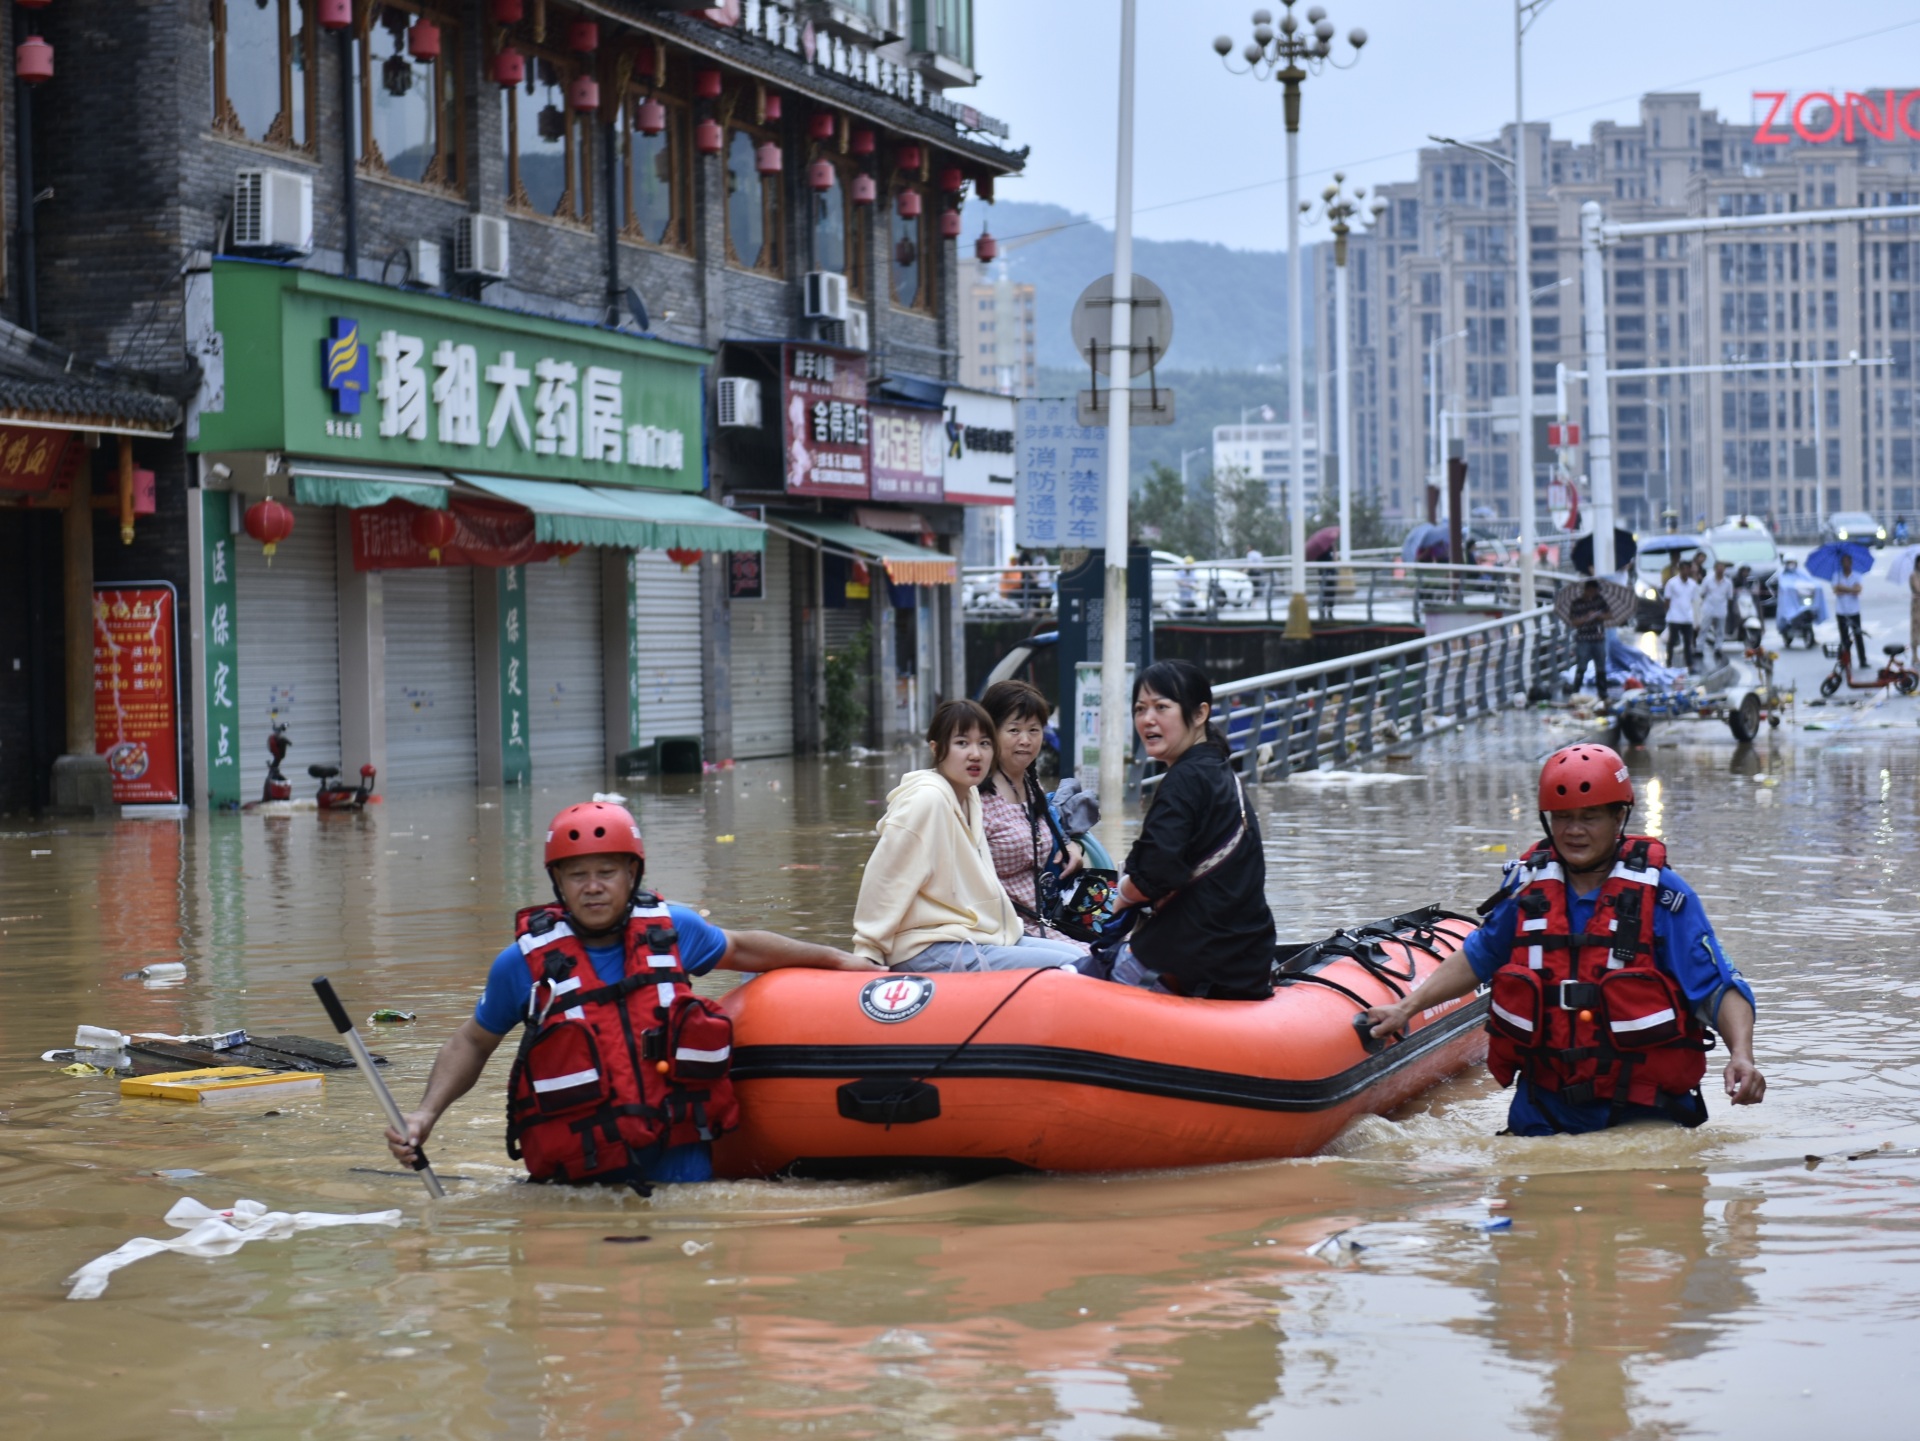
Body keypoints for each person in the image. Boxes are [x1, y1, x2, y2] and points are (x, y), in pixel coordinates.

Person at [385, 801, 876, 1189]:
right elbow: (472, 1042)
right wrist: (424, 1115)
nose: (593, 887)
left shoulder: (673, 930)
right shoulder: (522, 964)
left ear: (632, 874)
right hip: (577, 1180)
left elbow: (745, 947)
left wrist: (840, 961)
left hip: (681, 1167)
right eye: (578, 875)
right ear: (557, 882)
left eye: (607, 872)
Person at [1364, 744, 1765, 1135]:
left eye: (1590, 817)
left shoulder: (1664, 896)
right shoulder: (1527, 890)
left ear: (1618, 817)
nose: (1574, 831)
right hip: (1542, 1109)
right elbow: (1477, 957)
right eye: (1562, 818)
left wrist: (1742, 1057)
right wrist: (1405, 1009)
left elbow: (1718, 988)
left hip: (1644, 1112)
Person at [853, 698, 1087, 973]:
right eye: (962, 743)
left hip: (972, 935)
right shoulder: (927, 800)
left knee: (1078, 956)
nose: (975, 754)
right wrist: (867, 952)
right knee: (1069, 965)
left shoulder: (969, 796)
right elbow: (885, 878)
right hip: (928, 946)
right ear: (937, 749)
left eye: (984, 744)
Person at [1104, 660, 1276, 1000]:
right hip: (1247, 959)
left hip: (1194, 958)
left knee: (1078, 974)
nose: (1147, 719)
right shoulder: (1219, 769)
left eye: (1161, 707)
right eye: (1140, 709)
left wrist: (1121, 896)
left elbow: (1155, 873)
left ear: (1199, 714)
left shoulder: (1184, 779)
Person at [979, 679, 1086, 947]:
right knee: (1091, 959)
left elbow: (1048, 826)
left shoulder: (1030, 784)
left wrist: (1070, 847)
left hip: (1049, 916)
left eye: (1034, 730)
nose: (1025, 740)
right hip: (1007, 927)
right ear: (991, 732)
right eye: (1014, 730)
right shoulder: (975, 796)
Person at [1566, 578, 1613, 705]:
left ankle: (1603, 693)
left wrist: (1598, 616)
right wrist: (1586, 618)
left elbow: (1609, 614)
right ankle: (1575, 692)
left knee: (1601, 666)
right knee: (1581, 666)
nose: (1593, 594)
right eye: (1591, 591)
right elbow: (1573, 622)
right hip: (1583, 639)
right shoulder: (1577, 603)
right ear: (1587, 590)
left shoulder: (1599, 601)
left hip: (1598, 638)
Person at [1662, 558, 1701, 669]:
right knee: (1672, 642)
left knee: (1688, 643)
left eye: (1687, 569)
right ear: (1679, 570)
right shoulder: (1672, 583)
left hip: (1687, 617)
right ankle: (1669, 662)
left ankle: (1689, 664)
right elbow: (1667, 600)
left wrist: (1696, 619)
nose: (1685, 571)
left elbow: (1694, 602)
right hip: (1674, 617)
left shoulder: (1693, 585)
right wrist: (1667, 615)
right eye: (1682, 569)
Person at [1833, 549, 1867, 670]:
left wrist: (1845, 589)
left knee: (1858, 636)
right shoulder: (1836, 576)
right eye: (1844, 561)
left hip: (1854, 610)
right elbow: (1836, 590)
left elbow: (1858, 590)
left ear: (1851, 562)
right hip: (1841, 611)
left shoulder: (1857, 575)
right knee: (1844, 638)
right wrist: (1850, 589)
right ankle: (1845, 661)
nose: (1846, 563)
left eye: (1848, 561)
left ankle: (1863, 660)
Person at [1699, 559, 1734, 656]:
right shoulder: (1708, 580)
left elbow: (1729, 597)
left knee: (1720, 631)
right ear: (1715, 568)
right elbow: (1702, 593)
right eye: (1718, 567)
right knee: (1704, 629)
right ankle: (1699, 648)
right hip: (1709, 608)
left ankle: (1718, 647)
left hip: (1721, 609)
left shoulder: (1728, 583)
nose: (1720, 570)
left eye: (1722, 567)